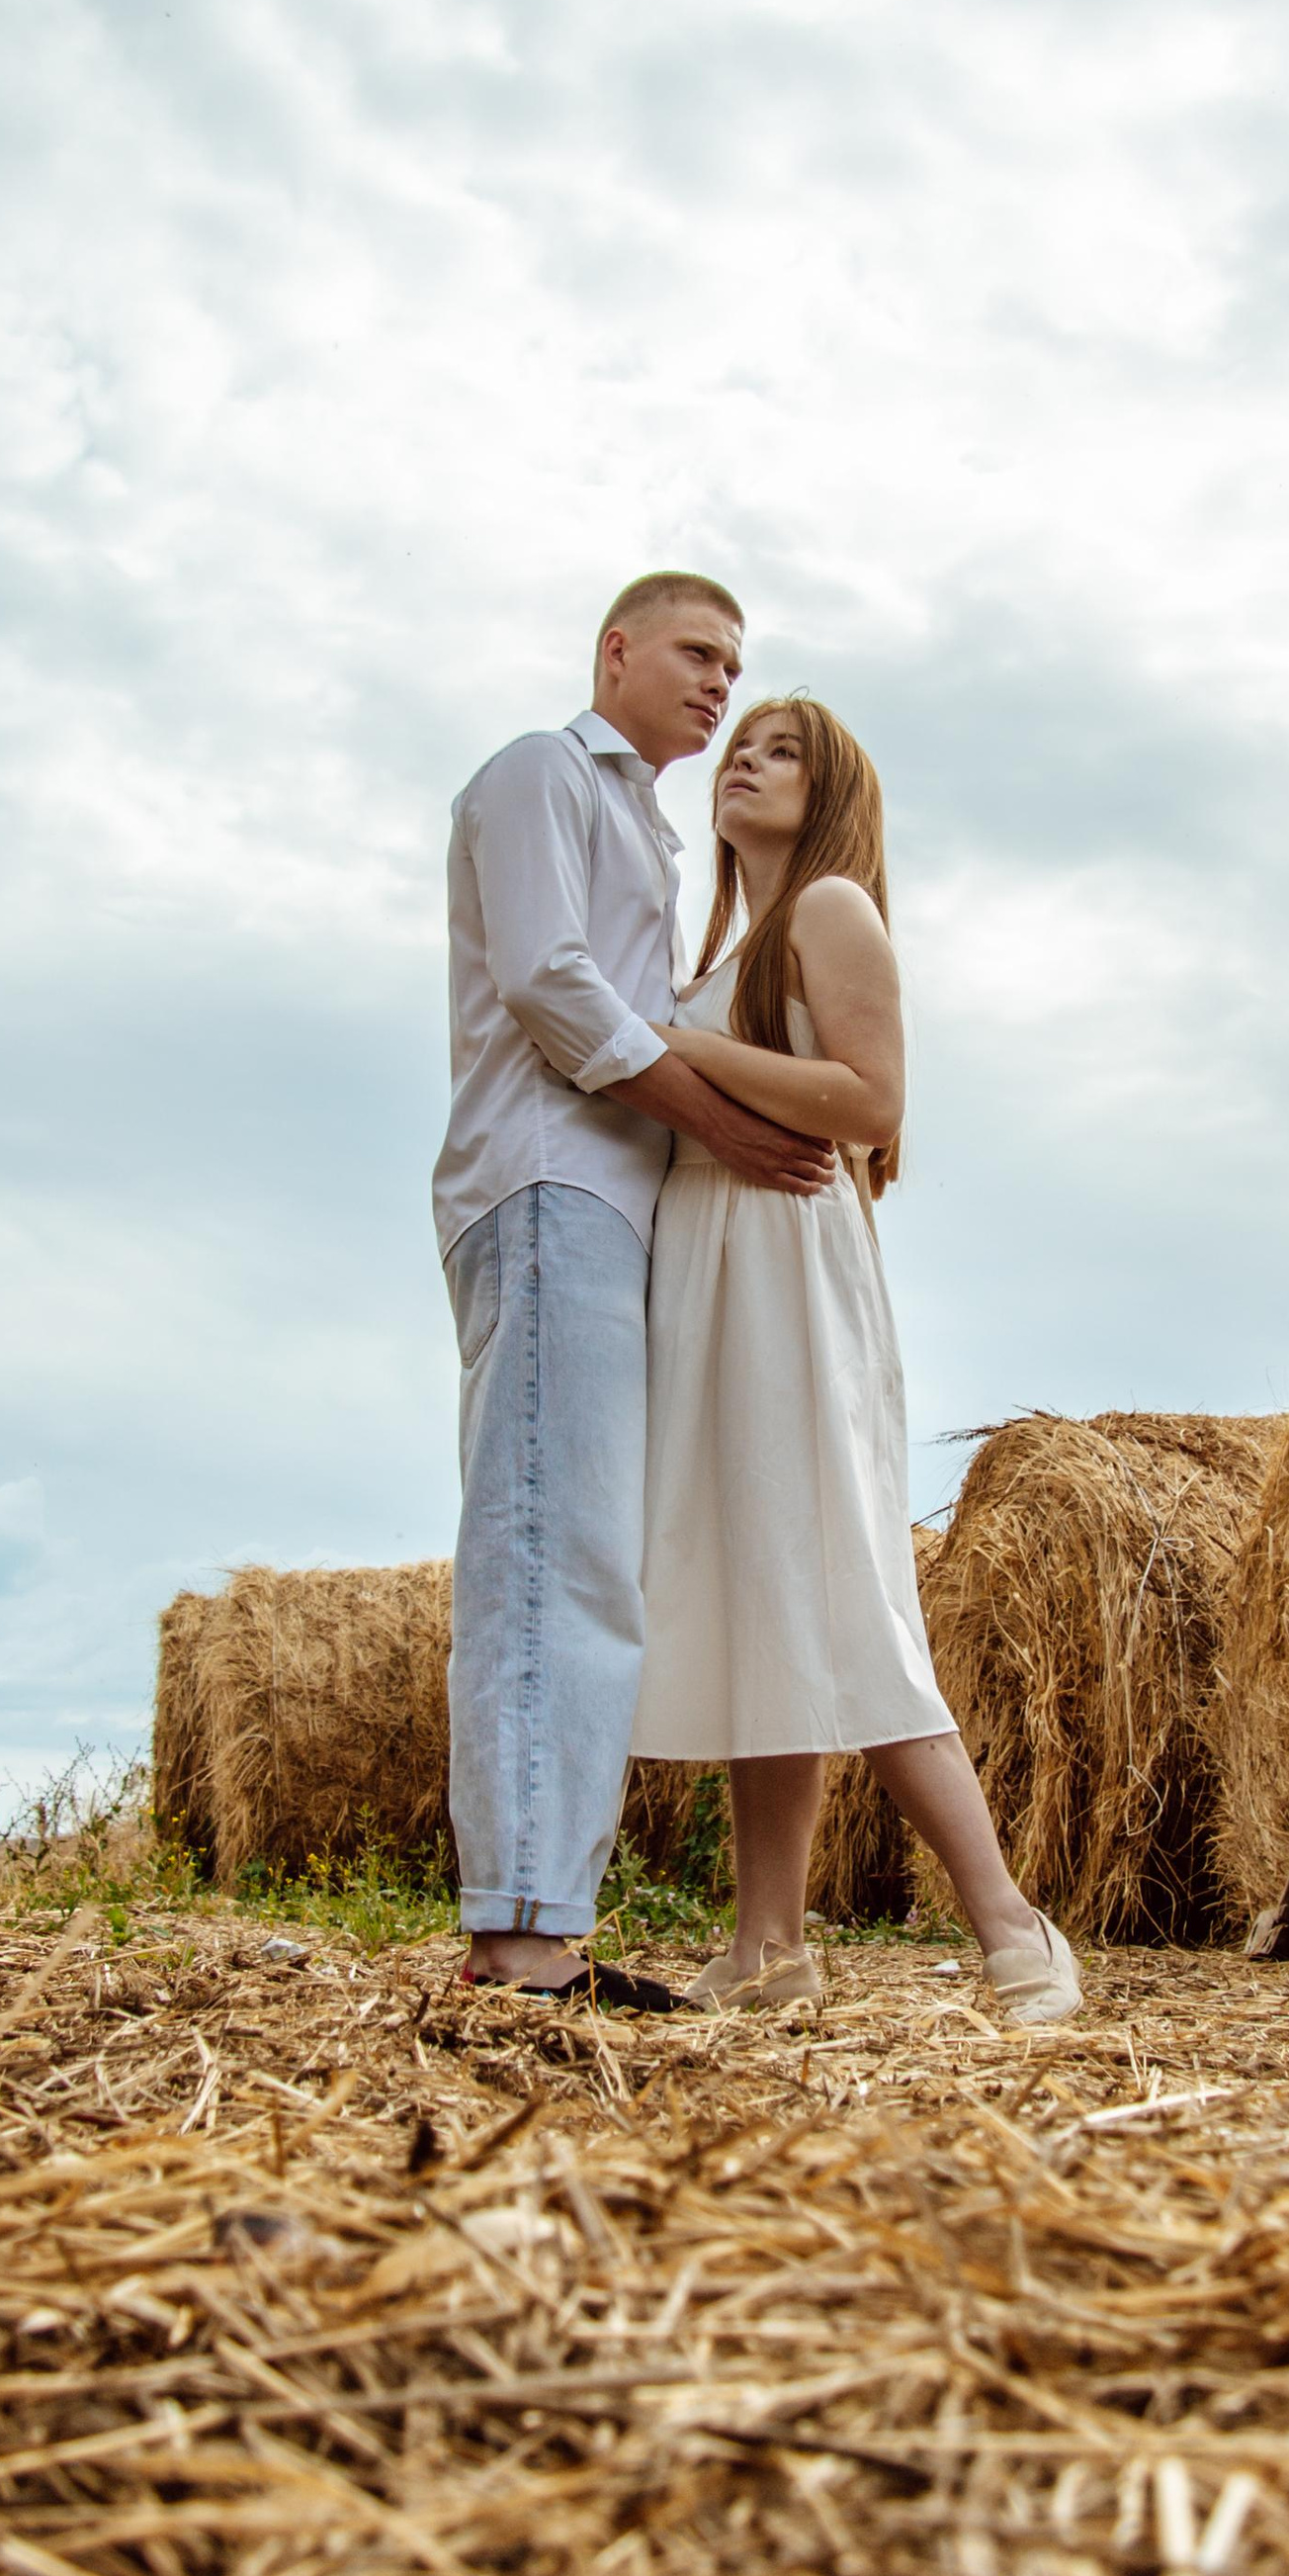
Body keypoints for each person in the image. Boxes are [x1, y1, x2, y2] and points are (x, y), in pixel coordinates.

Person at [630, 696, 1082, 2026]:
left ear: (829, 793)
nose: (743, 764)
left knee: (834, 1580)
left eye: (780, 751)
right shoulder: (723, 945)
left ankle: (1013, 1927)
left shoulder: (829, 907)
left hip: (789, 1272)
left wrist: (673, 1043)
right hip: (714, 1279)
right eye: (737, 747)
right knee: (758, 1593)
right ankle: (769, 1946)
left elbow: (873, 1105)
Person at [435, 578, 836, 2006]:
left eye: (738, 666)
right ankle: (528, 1944)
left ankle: (541, 1925)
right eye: (696, 653)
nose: (721, 684)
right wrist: (716, 1118)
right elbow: (550, 982)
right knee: (553, 1553)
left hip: (603, 1205)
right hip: (554, 1187)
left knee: (593, 1557)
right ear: (615, 651)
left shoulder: (652, 845)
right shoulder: (545, 773)